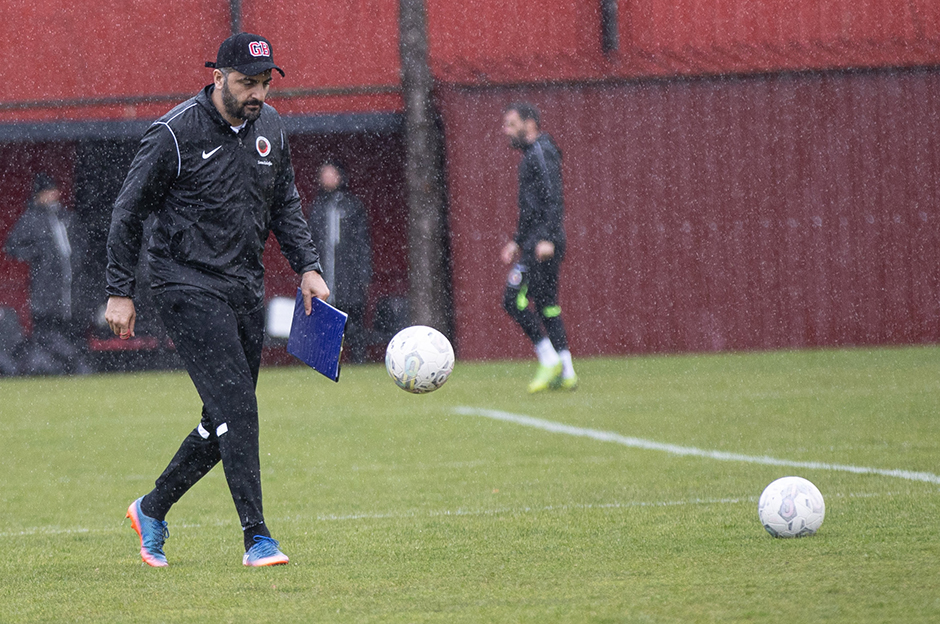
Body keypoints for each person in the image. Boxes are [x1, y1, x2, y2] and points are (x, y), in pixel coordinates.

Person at [105, 32, 329, 568]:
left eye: (264, 84)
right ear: (217, 78)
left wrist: (309, 267)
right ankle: (257, 538)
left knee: (221, 417)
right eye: (246, 83)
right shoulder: (173, 134)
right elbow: (127, 212)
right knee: (239, 407)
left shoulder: (271, 129)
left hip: (243, 287)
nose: (256, 94)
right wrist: (119, 290)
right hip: (183, 284)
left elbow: (286, 204)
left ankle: (152, 508)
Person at [499, 102, 578, 393]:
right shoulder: (532, 154)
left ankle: (548, 358)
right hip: (535, 241)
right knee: (547, 304)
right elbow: (530, 209)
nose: (506, 130)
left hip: (543, 244)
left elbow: (553, 198)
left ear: (529, 124)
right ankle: (567, 370)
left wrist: (548, 237)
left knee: (512, 299)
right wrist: (517, 241)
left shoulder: (541, 152)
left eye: (511, 124)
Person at [4, 173, 91, 375]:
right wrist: (38, 253)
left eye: (54, 190)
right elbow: (12, 247)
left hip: (72, 291)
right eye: (48, 191)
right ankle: (69, 368)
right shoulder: (31, 219)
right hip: (46, 292)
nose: (53, 195)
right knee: (48, 334)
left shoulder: (68, 218)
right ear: (39, 195)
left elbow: (82, 246)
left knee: (71, 332)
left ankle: (72, 369)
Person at [305, 160, 372, 363]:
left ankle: (358, 359)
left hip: (348, 275)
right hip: (325, 275)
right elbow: (310, 240)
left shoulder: (351, 206)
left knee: (353, 319)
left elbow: (362, 241)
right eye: (323, 174)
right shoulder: (317, 207)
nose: (327, 178)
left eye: (331, 173)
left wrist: (363, 272)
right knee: (325, 320)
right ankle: (327, 360)